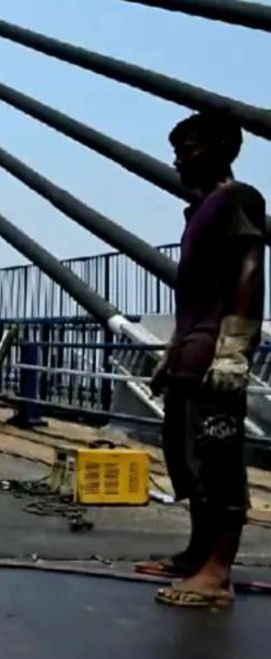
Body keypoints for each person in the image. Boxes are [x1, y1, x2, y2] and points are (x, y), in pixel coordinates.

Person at [142, 112, 266, 609]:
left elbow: (251, 270)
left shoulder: (239, 199)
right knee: (188, 460)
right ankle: (197, 553)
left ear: (222, 149)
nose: (177, 161)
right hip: (190, 352)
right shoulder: (198, 212)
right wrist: (172, 351)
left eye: (188, 149)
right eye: (176, 151)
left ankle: (217, 571)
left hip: (215, 350)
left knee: (219, 461)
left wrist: (234, 350)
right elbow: (194, 296)